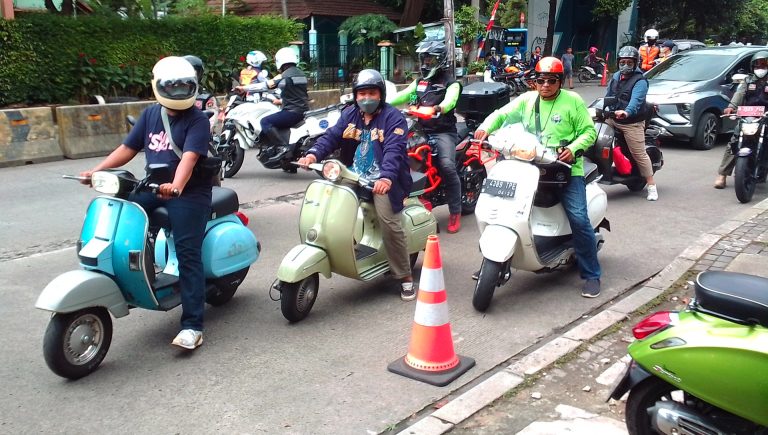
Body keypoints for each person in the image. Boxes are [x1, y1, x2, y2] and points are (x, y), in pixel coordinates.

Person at [79, 56, 213, 349]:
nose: (178, 91)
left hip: (188, 193)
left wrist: (176, 186)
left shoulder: (198, 120)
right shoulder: (151, 114)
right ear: (158, 86)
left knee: (189, 254)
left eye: (184, 86)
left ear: (193, 86)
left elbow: (189, 158)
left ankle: (193, 326)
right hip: (153, 186)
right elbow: (128, 148)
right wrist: (96, 171)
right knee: (122, 216)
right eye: (172, 86)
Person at [473, 57, 603, 298]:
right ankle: (495, 259)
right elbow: (501, 114)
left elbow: (588, 132)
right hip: (528, 166)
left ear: (560, 81)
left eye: (551, 81)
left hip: (564, 168)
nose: (545, 85)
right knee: (504, 206)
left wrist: (573, 149)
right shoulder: (527, 100)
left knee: (578, 218)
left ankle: (592, 274)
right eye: (540, 80)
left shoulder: (573, 101)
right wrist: (485, 128)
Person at [296, 70, 416, 301]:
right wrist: (312, 154)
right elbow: (331, 136)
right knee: (331, 204)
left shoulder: (393, 118)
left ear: (381, 95)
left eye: (372, 93)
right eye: (362, 93)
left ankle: (404, 276)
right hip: (354, 174)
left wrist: (386, 178)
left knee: (389, 223)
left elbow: (394, 150)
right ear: (355, 95)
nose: (366, 98)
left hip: (384, 181)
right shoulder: (350, 114)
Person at [390, 39, 464, 233]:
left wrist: (438, 108)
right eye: (424, 59)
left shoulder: (451, 83)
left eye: (430, 59)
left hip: (443, 132)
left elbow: (450, 101)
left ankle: (455, 211)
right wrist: (381, 102)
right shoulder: (420, 82)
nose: (425, 63)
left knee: (447, 166)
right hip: (420, 129)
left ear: (440, 60)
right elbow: (404, 96)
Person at [238, 47, 309, 171]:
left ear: (280, 61)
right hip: (303, 110)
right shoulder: (300, 74)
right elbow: (295, 93)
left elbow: (265, 85)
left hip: (291, 112)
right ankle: (289, 165)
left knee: (265, 122)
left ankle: (283, 147)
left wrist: (244, 88)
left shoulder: (284, 75)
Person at [605, 46, 658, 201]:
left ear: (635, 63)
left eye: (629, 62)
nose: (625, 66)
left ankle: (651, 185)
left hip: (631, 122)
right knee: (593, 136)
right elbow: (608, 96)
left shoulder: (640, 81)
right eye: (622, 62)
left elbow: (636, 100)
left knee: (638, 153)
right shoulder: (615, 77)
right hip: (613, 118)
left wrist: (627, 112)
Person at [714, 51, 768, 189]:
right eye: (757, 65)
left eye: (763, 64)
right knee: (735, 141)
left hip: (766, 117)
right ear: (753, 66)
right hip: (748, 116)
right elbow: (739, 94)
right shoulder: (747, 81)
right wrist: (731, 107)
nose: (760, 67)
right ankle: (722, 175)